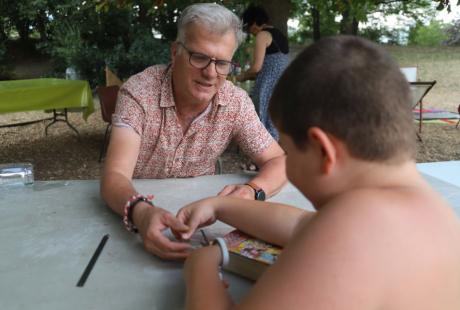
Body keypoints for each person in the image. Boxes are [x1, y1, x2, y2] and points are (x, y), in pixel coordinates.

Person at [176, 36, 460, 309]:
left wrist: (199, 270)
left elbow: (317, 232)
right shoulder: (431, 212)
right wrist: (220, 205)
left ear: (322, 151)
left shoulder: (351, 233)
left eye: (287, 150)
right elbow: (301, 225)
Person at [100, 3, 287, 260]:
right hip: (140, 207)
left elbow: (278, 160)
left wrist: (252, 190)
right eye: (199, 57)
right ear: (175, 52)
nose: (210, 73)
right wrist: (141, 213)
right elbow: (114, 176)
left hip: (203, 221)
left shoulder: (235, 102)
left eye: (222, 63)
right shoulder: (139, 92)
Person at [236, 5, 289, 141]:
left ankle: (265, 158)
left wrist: (241, 76)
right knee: (274, 123)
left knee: (263, 123)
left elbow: (256, 68)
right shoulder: (280, 35)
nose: (250, 32)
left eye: (248, 28)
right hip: (282, 86)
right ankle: (273, 157)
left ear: (254, 23)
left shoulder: (262, 35)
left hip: (268, 87)